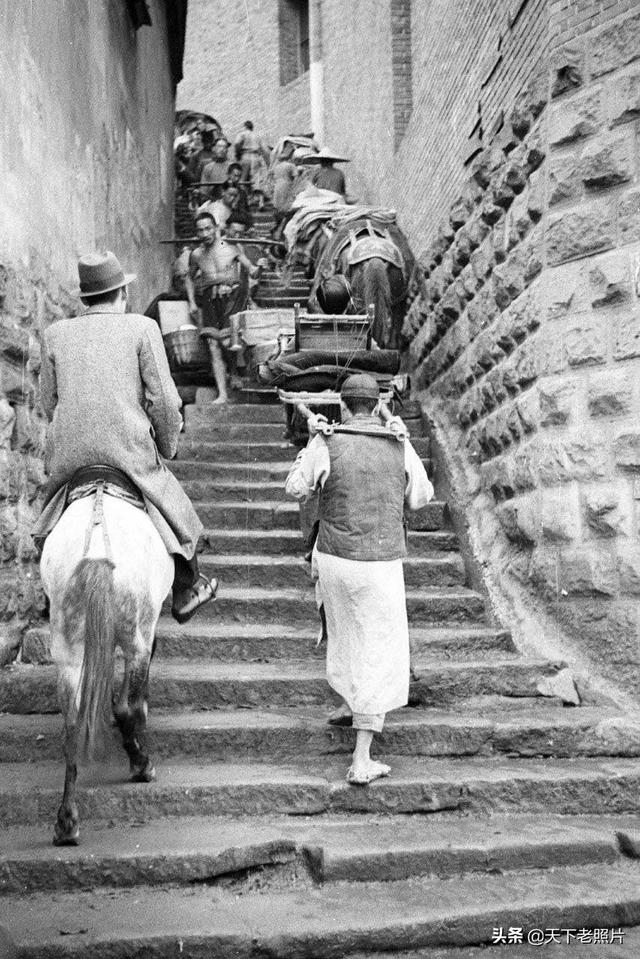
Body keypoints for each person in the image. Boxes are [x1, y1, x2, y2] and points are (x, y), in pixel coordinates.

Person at [33, 251, 217, 623]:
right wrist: (166, 446)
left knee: (47, 521)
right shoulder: (142, 328)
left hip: (71, 461)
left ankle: (51, 590)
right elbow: (165, 402)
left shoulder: (54, 335)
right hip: (128, 454)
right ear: (123, 293)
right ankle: (186, 588)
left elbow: (47, 402)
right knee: (174, 507)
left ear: (85, 299)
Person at [285, 373, 433, 785]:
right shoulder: (398, 443)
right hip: (380, 562)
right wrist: (404, 445)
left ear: (344, 406)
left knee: (347, 632)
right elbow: (421, 498)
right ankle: (362, 758)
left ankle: (351, 706)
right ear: (375, 406)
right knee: (377, 649)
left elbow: (295, 489)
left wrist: (310, 442)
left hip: (335, 557)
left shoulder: (327, 441)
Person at [185, 212, 260, 403]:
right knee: (213, 346)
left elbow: (251, 270)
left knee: (227, 342)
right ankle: (222, 394)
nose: (204, 233)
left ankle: (233, 372)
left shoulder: (232, 248)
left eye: (208, 228)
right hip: (209, 301)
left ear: (216, 228)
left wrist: (259, 267)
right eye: (200, 230)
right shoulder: (196, 255)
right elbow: (188, 277)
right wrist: (192, 301)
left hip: (231, 299)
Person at [234, 121, 269, 208]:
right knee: (257, 180)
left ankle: (246, 199)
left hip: (245, 156)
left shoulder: (242, 134)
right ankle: (261, 202)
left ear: (245, 127)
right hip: (256, 157)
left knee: (243, 180)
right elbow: (265, 149)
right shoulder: (257, 135)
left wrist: (238, 153)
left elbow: (237, 143)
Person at [200, 136, 231, 201]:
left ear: (227, 150)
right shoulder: (208, 168)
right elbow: (204, 191)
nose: (222, 149)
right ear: (214, 149)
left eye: (224, 147)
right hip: (212, 201)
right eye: (219, 146)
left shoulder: (232, 166)